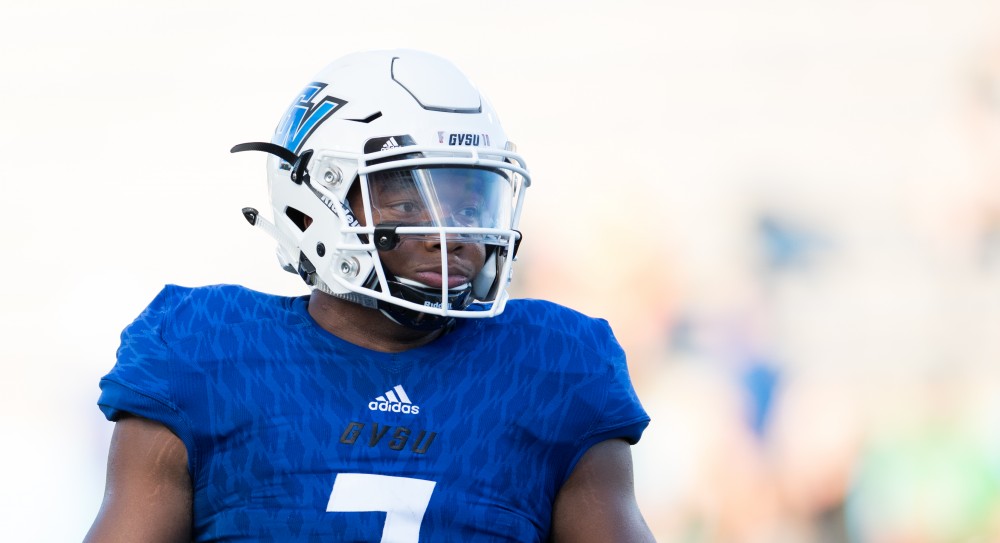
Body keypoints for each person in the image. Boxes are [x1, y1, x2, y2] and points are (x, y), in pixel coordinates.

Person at [85, 49, 655, 543]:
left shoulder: (555, 366)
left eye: (469, 205)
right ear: (313, 201)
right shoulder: (200, 350)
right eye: (408, 205)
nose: (451, 236)